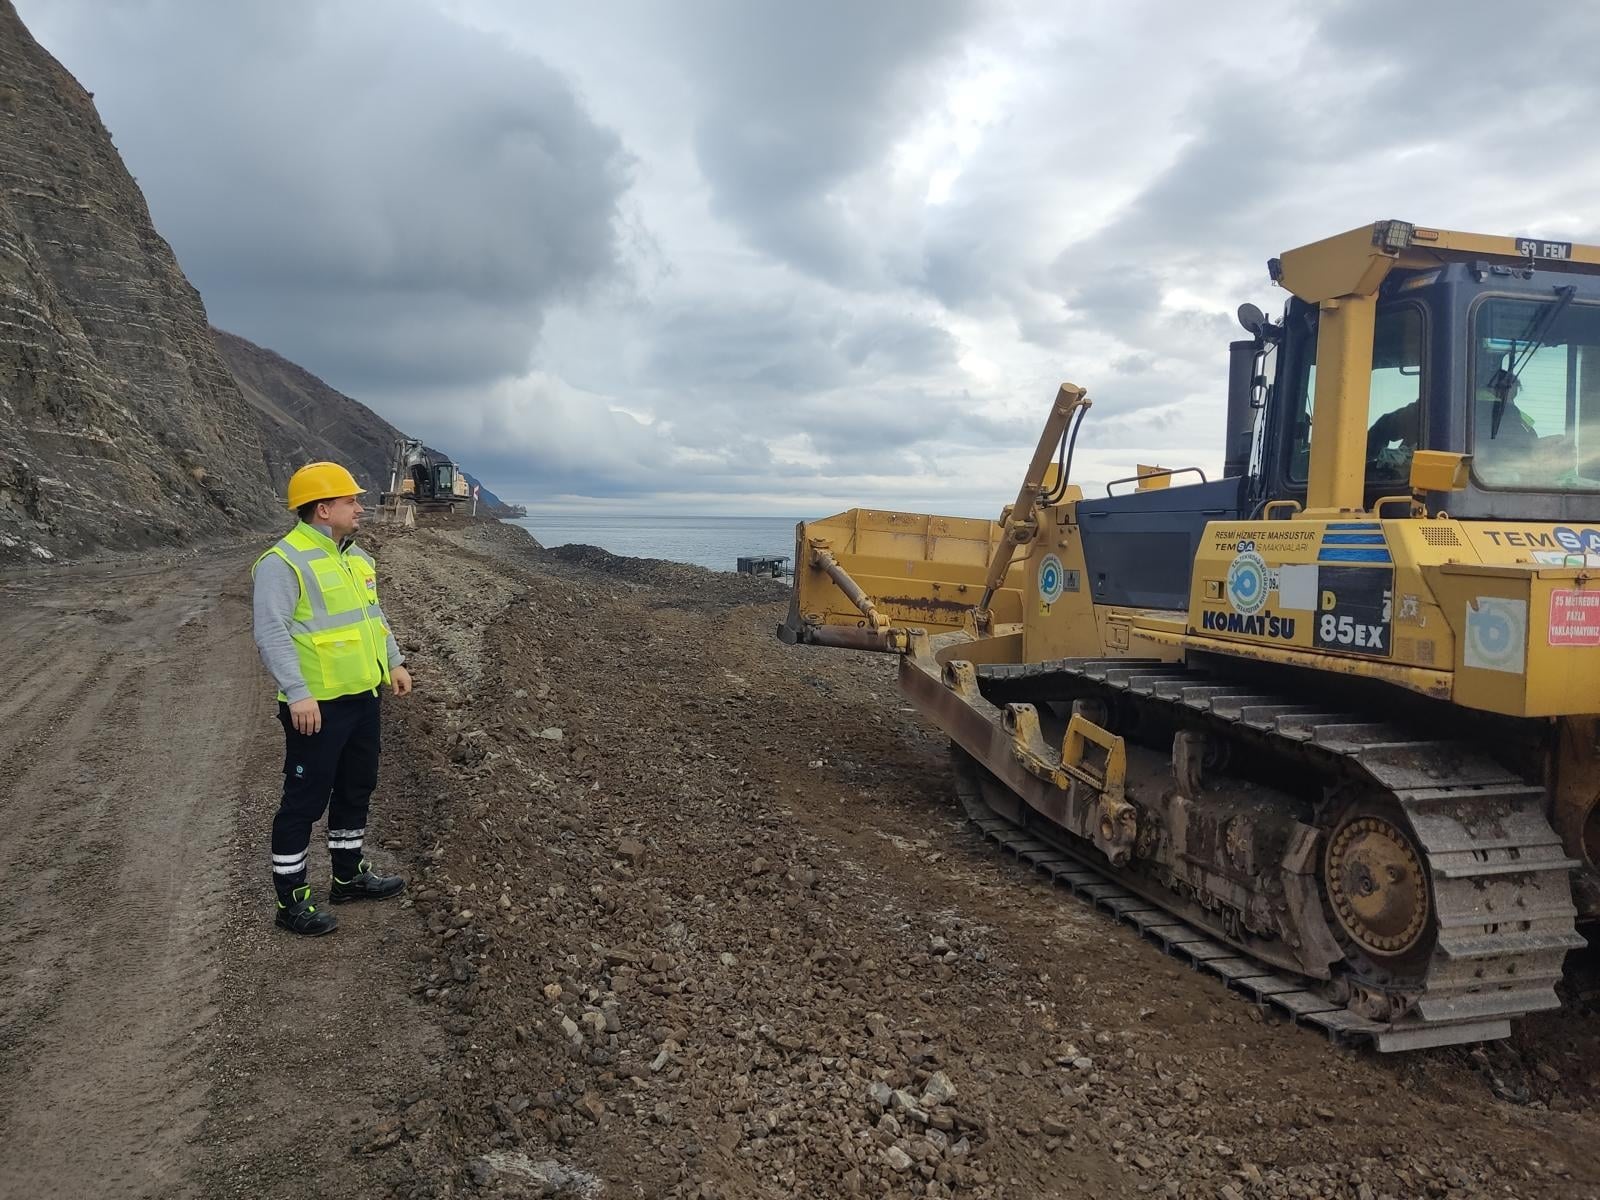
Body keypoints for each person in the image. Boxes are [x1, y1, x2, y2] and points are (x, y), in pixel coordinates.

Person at [251, 462, 413, 935]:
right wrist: (298, 693)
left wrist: (394, 661)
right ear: (323, 509)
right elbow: (271, 633)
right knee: (304, 801)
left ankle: (348, 876)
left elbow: (372, 616)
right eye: (350, 501)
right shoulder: (283, 562)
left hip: (362, 697)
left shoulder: (356, 558)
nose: (360, 508)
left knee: (356, 788)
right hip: (316, 707)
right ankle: (291, 901)